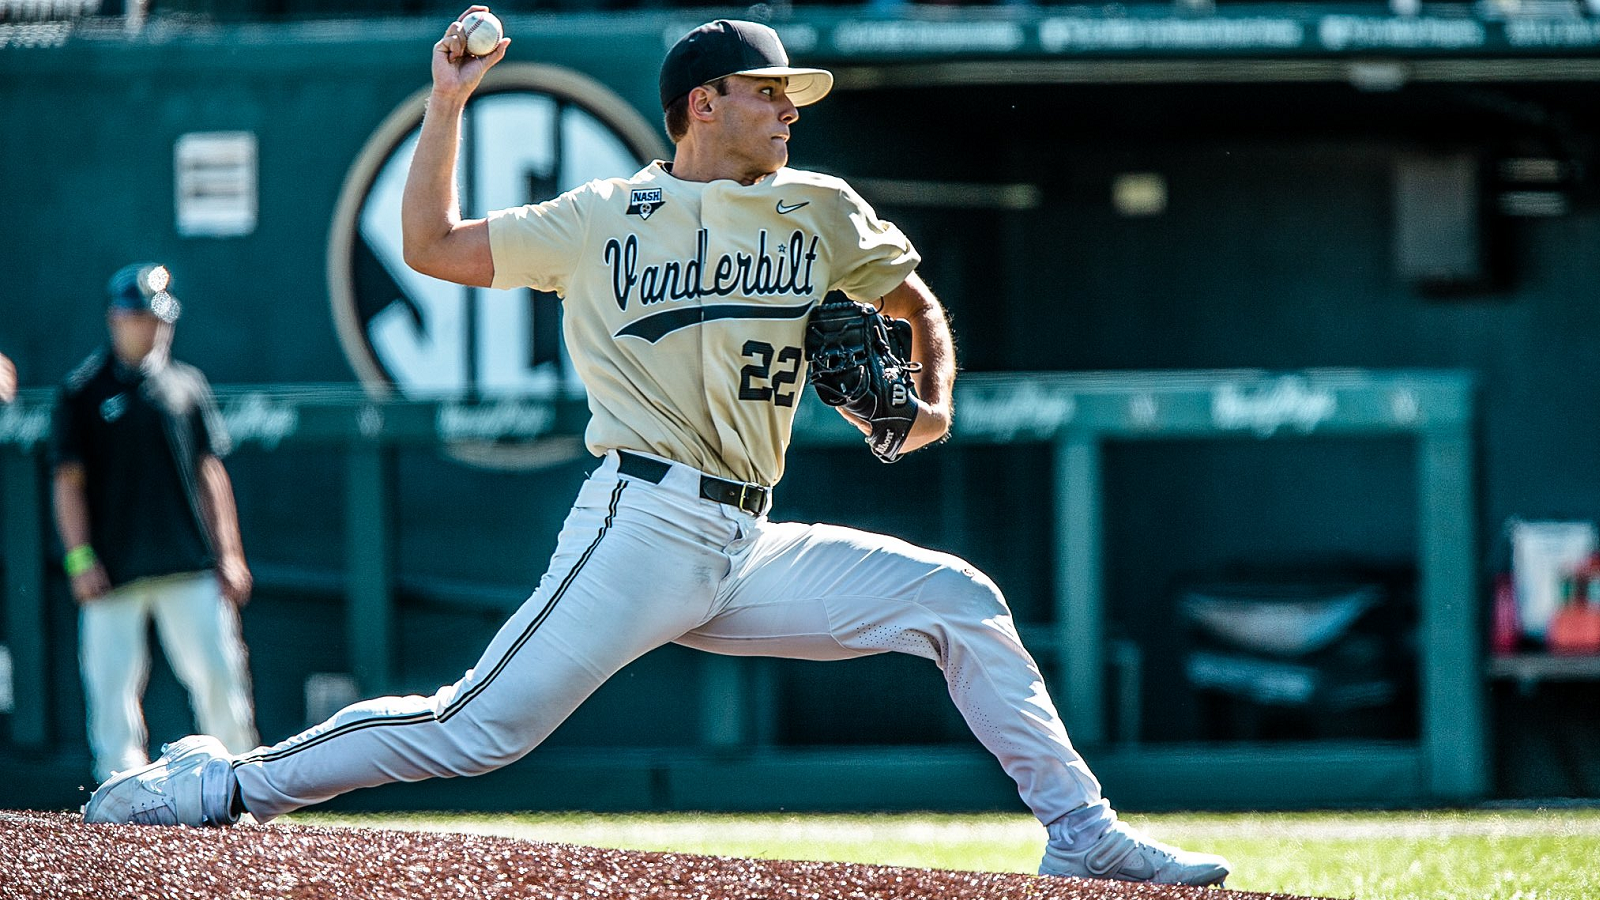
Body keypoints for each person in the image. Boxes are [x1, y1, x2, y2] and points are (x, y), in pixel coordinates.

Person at [83, 12, 1229, 886]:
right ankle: (225, 785)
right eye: (767, 92)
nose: (789, 109)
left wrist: (929, 401)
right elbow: (429, 243)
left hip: (744, 539)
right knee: (475, 727)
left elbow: (914, 301)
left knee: (959, 602)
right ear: (702, 103)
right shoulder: (599, 219)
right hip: (642, 520)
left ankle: (1079, 835)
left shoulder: (817, 207)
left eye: (792, 95)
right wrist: (448, 104)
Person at [54, 262, 258, 785]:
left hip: (188, 566)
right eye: (140, 316)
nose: (152, 327)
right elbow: (67, 484)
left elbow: (210, 473)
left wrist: (229, 554)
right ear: (115, 318)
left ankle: (240, 787)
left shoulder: (187, 385)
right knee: (111, 697)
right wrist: (79, 560)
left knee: (219, 681)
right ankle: (120, 802)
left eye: (158, 318)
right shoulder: (82, 392)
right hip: (114, 573)